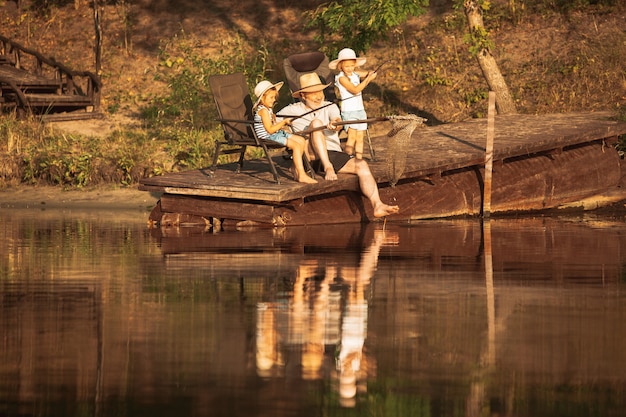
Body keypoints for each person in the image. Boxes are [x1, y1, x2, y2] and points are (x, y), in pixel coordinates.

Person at [277, 73, 399, 218]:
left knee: (362, 165)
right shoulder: (291, 110)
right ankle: (327, 167)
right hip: (309, 157)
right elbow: (268, 123)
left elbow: (337, 120)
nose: (318, 96)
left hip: (332, 154)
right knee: (316, 124)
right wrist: (284, 127)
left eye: (320, 92)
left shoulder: (330, 106)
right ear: (303, 95)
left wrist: (334, 125)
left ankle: (377, 205)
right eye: (313, 93)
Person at [253, 80, 317, 184]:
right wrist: (283, 122)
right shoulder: (263, 111)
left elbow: (272, 126)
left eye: (274, 97)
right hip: (268, 136)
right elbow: (269, 130)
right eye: (271, 98)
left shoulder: (268, 109)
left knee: (301, 140)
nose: (273, 100)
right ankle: (301, 175)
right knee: (296, 146)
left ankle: (294, 168)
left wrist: (274, 119)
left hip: (274, 134)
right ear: (262, 98)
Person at [329, 48, 377, 160]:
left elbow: (367, 73)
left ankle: (359, 159)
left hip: (360, 110)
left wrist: (371, 73)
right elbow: (355, 90)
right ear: (340, 66)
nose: (349, 68)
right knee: (352, 138)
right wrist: (368, 79)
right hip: (349, 111)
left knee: (360, 137)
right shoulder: (341, 78)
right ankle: (347, 159)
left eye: (352, 65)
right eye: (346, 66)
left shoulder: (355, 74)